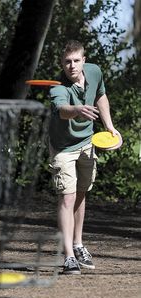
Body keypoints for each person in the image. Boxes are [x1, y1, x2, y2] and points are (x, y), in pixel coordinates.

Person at [49, 40, 119, 274]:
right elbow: (61, 110)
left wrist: (109, 127)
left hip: (86, 143)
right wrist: (77, 109)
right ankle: (68, 256)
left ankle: (78, 244)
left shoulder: (94, 71)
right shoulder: (58, 87)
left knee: (81, 193)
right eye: (67, 62)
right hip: (63, 148)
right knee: (66, 198)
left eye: (76, 60)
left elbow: (101, 95)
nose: (72, 66)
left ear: (83, 60)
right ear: (62, 63)